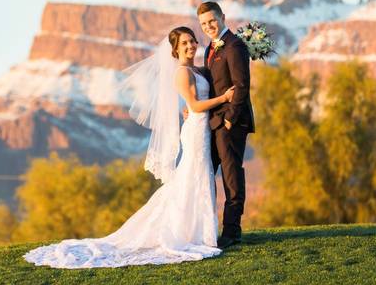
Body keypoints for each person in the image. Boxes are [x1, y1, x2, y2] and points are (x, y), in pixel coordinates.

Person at [23, 26, 234, 268]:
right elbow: (195, 105)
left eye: (192, 41)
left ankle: (199, 232)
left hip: (201, 128)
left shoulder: (198, 70)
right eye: (184, 43)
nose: (190, 46)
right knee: (192, 176)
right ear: (175, 50)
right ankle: (189, 233)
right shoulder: (182, 73)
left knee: (198, 177)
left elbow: (192, 104)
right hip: (196, 130)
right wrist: (224, 98)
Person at [196, 1, 255, 249]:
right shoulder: (213, 47)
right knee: (205, 173)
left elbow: (242, 85)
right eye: (203, 23)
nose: (209, 26)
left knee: (231, 176)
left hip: (230, 123)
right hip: (214, 122)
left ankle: (232, 231)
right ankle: (205, 228)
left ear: (222, 17)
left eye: (212, 20)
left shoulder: (234, 45)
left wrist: (230, 118)